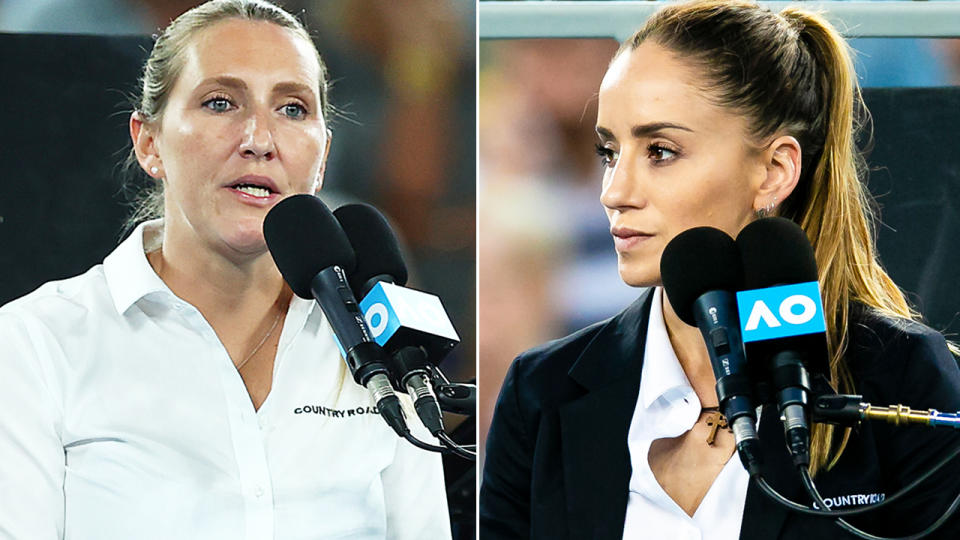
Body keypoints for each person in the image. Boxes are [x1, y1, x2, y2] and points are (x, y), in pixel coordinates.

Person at [479, 1, 960, 539]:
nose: (613, 192)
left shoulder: (903, 376)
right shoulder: (541, 392)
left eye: (660, 151)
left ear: (775, 171)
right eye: (609, 151)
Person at [0, 1, 450, 538]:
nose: (259, 139)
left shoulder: (384, 348)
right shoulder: (35, 343)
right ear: (150, 143)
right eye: (220, 103)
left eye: (292, 109)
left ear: (323, 154)